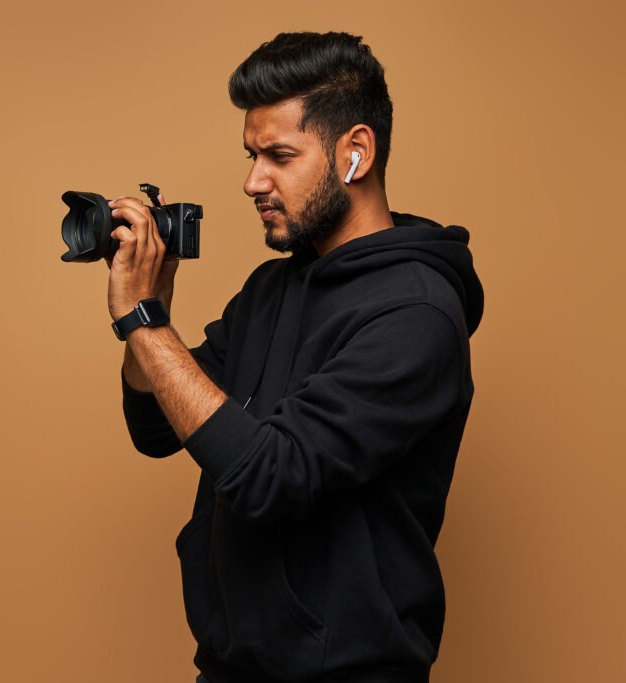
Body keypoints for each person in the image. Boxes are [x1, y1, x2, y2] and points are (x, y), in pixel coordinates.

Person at [106, 32, 483, 683]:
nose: (252, 181)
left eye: (279, 156)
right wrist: (155, 310)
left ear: (355, 151)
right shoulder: (270, 289)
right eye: (252, 155)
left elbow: (269, 476)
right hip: (228, 669)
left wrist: (141, 321)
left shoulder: (415, 312)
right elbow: (156, 428)